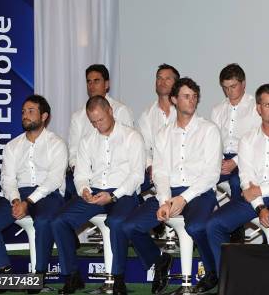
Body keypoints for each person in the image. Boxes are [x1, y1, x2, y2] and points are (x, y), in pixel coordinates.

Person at [122, 78, 222, 294]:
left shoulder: (209, 130)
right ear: (174, 99)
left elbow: (211, 175)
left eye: (195, 96)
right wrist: (165, 201)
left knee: (195, 226)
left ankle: (213, 273)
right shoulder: (163, 134)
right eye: (186, 96)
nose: (192, 100)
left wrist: (183, 198)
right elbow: (160, 172)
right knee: (129, 226)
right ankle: (159, 261)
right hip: (169, 193)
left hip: (199, 193)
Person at [207, 83, 269, 273]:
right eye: (268, 105)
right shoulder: (248, 139)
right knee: (214, 224)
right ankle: (231, 281)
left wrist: (260, 191)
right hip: (255, 197)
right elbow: (246, 179)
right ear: (259, 109)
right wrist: (260, 206)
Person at [52, 96, 145, 295]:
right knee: (59, 221)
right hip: (94, 192)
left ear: (110, 111)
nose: (97, 125)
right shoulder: (87, 141)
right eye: (93, 122)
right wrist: (84, 190)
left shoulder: (132, 136)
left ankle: (118, 278)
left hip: (124, 192)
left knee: (117, 221)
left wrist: (113, 196)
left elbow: (137, 175)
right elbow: (81, 174)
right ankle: (72, 275)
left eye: (100, 120)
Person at [0, 95, 66, 294]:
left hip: (48, 194)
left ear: (44, 116)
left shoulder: (56, 143)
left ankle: (39, 276)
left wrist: (28, 202)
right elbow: (8, 179)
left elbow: (53, 180)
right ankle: (4, 274)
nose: (25, 116)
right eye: (23, 112)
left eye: (30, 111)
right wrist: (16, 200)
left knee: (43, 221)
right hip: (20, 193)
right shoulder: (12, 146)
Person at [66, 64, 134, 199]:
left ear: (107, 84)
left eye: (96, 81)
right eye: (88, 81)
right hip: (85, 173)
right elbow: (73, 152)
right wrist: (80, 171)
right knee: (67, 188)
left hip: (115, 175)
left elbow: (128, 147)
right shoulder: (78, 116)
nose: (92, 85)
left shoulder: (120, 110)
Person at [210, 63, 260, 200]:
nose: (229, 91)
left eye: (233, 86)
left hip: (245, 157)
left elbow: (256, 141)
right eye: (225, 88)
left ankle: (237, 219)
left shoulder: (255, 107)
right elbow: (213, 141)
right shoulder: (217, 109)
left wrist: (235, 162)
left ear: (243, 84)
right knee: (201, 178)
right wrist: (219, 161)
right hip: (221, 158)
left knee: (237, 182)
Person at [138, 64, 180, 192]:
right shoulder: (147, 115)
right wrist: (150, 166)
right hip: (155, 167)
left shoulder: (184, 112)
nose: (162, 82)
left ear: (176, 84)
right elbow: (143, 147)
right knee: (130, 189)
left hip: (180, 168)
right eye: (159, 78)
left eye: (167, 78)